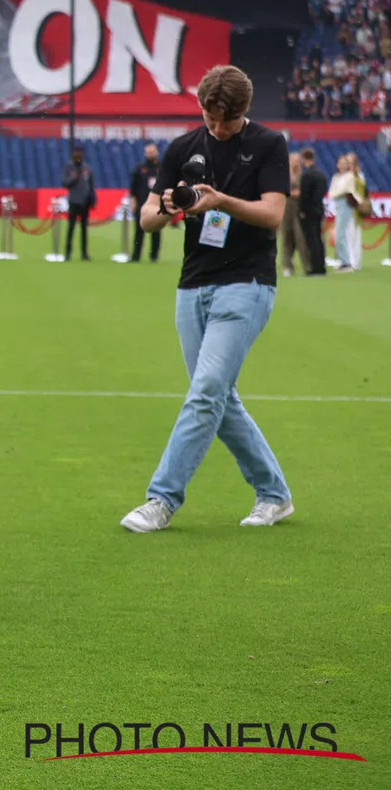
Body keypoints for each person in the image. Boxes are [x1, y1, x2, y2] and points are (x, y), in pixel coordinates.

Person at [121, 65, 294, 533]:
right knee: (218, 398)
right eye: (209, 117)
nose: (217, 128)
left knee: (204, 394)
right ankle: (275, 495)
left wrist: (220, 201)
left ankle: (161, 499)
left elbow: (273, 213)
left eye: (226, 120)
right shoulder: (181, 148)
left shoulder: (268, 144)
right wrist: (170, 208)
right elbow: (147, 218)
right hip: (192, 285)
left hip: (248, 283)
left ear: (245, 110)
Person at [328, 152, 368, 272]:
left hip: (347, 206)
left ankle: (348, 262)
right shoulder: (336, 177)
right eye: (341, 163)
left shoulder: (351, 176)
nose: (342, 165)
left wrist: (337, 193)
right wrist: (337, 193)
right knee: (342, 235)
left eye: (345, 163)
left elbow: (346, 190)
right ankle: (344, 261)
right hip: (339, 205)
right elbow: (332, 193)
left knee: (342, 234)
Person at [296, 147, 327, 276]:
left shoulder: (307, 175)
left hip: (309, 212)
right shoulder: (321, 174)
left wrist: (302, 210)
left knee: (311, 240)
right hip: (319, 209)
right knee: (319, 239)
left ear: (304, 159)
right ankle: (321, 266)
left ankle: (315, 268)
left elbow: (304, 196)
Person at [130, 143, 162, 264]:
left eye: (151, 152)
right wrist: (133, 202)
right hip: (141, 204)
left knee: (156, 231)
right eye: (147, 152)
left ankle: (154, 256)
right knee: (139, 231)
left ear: (156, 153)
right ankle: (136, 255)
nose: (149, 154)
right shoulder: (139, 168)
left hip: (157, 204)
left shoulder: (162, 168)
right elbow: (133, 189)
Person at [279, 149, 309, 277]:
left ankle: (307, 265)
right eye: (293, 160)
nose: (296, 163)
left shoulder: (303, 176)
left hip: (299, 207)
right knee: (286, 236)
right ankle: (287, 266)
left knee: (301, 237)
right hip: (285, 207)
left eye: (298, 161)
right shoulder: (283, 174)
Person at [62, 145, 94, 261]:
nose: (78, 155)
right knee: (71, 228)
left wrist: (92, 200)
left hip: (85, 202)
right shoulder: (68, 167)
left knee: (84, 229)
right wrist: (74, 178)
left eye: (80, 153)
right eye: (76, 153)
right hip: (74, 201)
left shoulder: (87, 168)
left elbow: (91, 186)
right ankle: (67, 253)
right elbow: (65, 183)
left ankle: (84, 253)